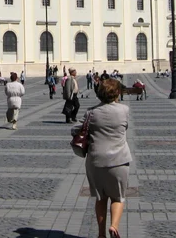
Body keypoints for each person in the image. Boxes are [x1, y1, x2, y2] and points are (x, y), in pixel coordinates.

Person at [73, 78, 131, 238]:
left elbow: (75, 129)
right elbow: (125, 126)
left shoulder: (90, 113)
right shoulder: (124, 110)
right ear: (117, 93)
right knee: (118, 197)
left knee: (100, 198)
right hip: (119, 160)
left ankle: (101, 234)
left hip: (95, 161)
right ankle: (113, 226)